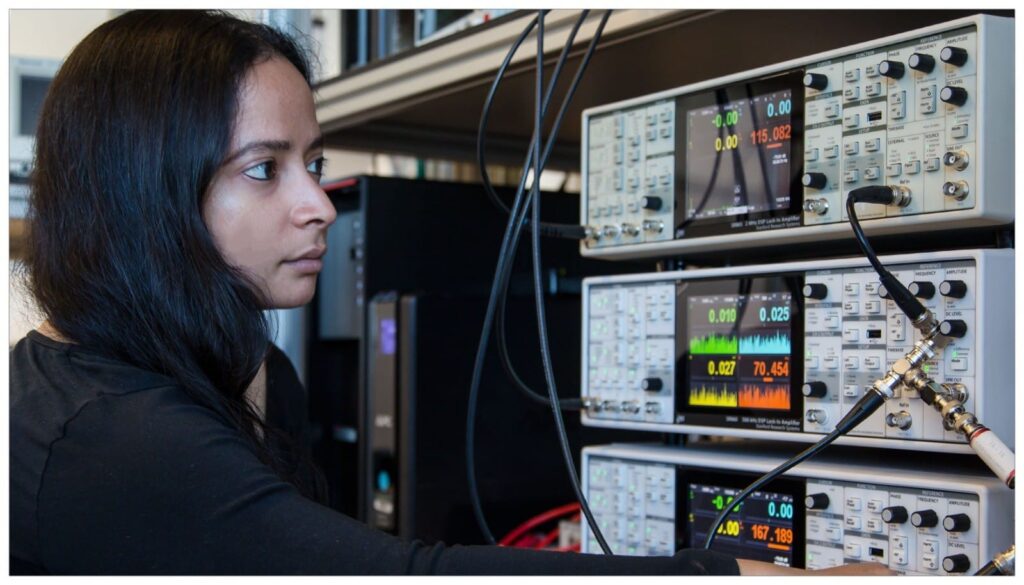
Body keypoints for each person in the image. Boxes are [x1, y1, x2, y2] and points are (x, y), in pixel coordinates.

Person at [9, 10, 892, 576]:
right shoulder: (109, 438)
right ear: (145, 192)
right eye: (264, 169)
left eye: (311, 163)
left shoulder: (241, 364)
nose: (318, 203)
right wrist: (734, 573)